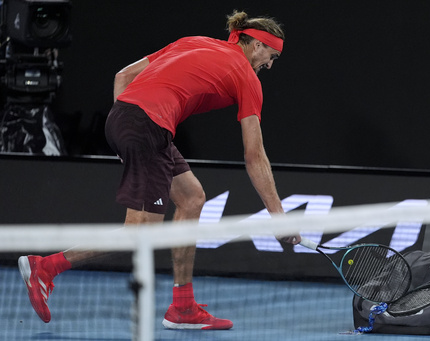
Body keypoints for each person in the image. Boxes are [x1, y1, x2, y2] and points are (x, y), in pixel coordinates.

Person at [18, 10, 301, 330]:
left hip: (127, 118)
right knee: (138, 234)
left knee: (192, 197)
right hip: (146, 127)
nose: (270, 65)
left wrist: (124, 136)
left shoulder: (195, 41)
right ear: (257, 44)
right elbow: (254, 156)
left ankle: (182, 307)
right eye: (272, 56)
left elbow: (122, 78)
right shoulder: (247, 78)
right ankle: (45, 267)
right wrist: (278, 215)